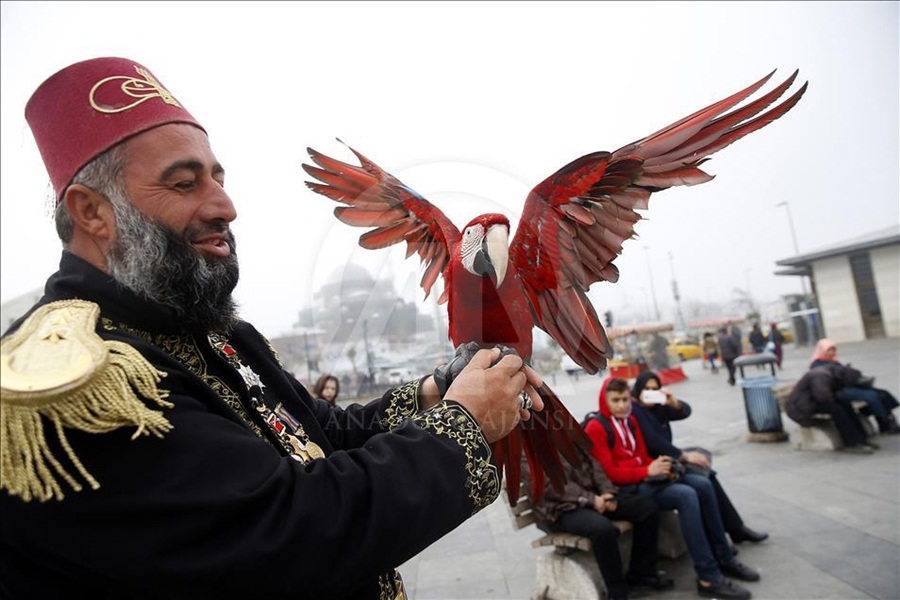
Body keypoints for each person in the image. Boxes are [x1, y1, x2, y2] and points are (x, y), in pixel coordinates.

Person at [0, 56, 546, 598]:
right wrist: (463, 425)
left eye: (218, 178)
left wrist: (437, 392)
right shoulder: (77, 384)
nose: (225, 206)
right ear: (92, 212)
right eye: (184, 183)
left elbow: (320, 437)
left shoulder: (210, 332)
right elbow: (282, 535)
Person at [585, 377, 759, 600]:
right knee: (686, 496)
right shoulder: (596, 427)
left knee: (703, 484)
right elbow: (609, 473)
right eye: (615, 400)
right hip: (627, 490)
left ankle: (724, 558)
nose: (621, 405)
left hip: (645, 479)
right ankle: (708, 577)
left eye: (625, 399)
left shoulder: (630, 421)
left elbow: (641, 455)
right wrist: (647, 470)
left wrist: (660, 465)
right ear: (604, 401)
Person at [629, 371, 769, 546]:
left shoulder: (658, 405)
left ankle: (735, 528)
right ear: (638, 390)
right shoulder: (635, 410)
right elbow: (653, 441)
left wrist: (674, 402)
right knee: (698, 486)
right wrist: (684, 456)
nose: (650, 392)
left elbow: (685, 412)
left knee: (708, 474)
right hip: (657, 467)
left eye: (654, 389)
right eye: (646, 389)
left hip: (671, 461)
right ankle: (724, 538)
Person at [526, 447, 674, 600]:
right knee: (602, 528)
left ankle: (642, 573)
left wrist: (606, 492)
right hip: (558, 510)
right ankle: (617, 592)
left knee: (646, 509)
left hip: (592, 498)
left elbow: (593, 464)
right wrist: (591, 500)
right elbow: (550, 486)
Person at [808, 339, 900, 434]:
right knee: (871, 396)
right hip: (838, 390)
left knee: (882, 393)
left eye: (833, 350)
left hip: (848, 386)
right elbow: (825, 382)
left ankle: (886, 421)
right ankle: (884, 420)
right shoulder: (817, 365)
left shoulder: (834, 361)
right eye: (829, 350)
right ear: (822, 350)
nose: (832, 353)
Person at [785, 362, 881, 453]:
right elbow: (822, 396)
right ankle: (852, 443)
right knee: (838, 410)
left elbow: (829, 395)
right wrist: (836, 397)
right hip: (802, 407)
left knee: (846, 405)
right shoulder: (821, 376)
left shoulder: (833, 373)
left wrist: (837, 396)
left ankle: (861, 439)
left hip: (812, 401)